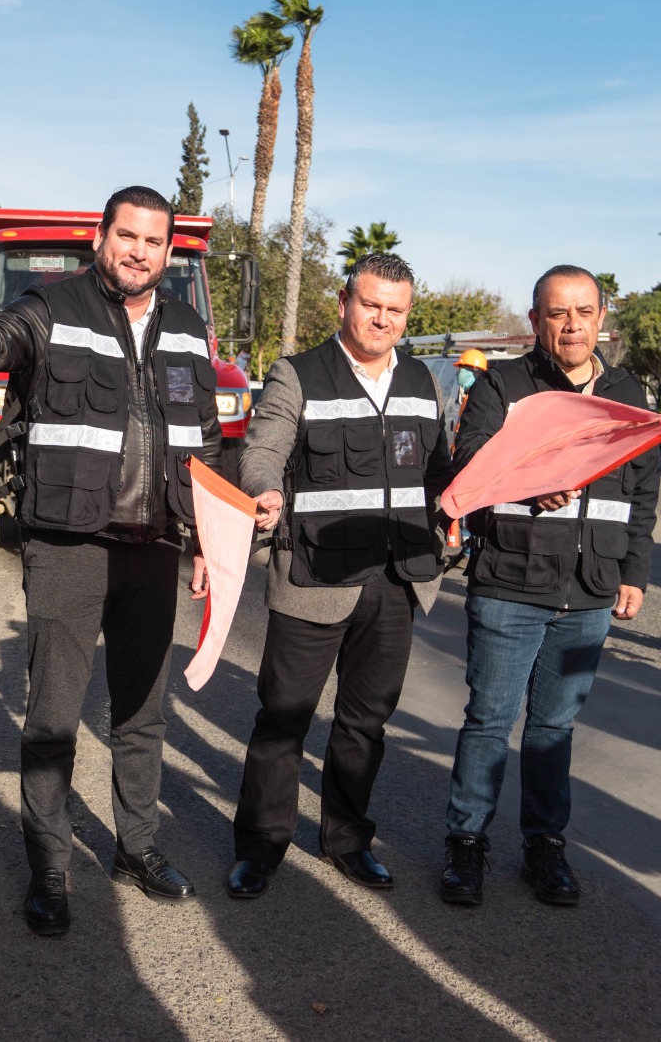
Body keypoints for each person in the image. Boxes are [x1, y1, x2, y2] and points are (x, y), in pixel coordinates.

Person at [0, 185, 222, 937]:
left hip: (155, 547)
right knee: (54, 718)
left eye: (153, 242)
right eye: (127, 236)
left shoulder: (189, 329)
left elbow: (207, 445)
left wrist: (210, 544)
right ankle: (50, 867)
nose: (139, 252)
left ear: (167, 251)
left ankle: (138, 847)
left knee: (142, 714)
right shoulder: (51, 306)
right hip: (68, 545)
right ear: (101, 238)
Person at [226, 253, 452, 900]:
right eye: (370, 303)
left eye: (395, 309)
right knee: (283, 719)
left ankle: (348, 839)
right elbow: (264, 446)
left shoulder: (422, 381)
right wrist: (264, 489)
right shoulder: (298, 374)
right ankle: (261, 847)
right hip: (315, 577)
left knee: (364, 725)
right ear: (345, 303)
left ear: (408, 314)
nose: (381, 318)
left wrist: (455, 511)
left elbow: (439, 469)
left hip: (398, 579)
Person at [440, 265, 659, 908]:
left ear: (601, 320)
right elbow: (468, 469)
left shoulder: (627, 392)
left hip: (590, 590)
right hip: (510, 581)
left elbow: (642, 494)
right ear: (535, 322)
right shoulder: (503, 387)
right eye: (557, 314)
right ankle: (466, 845)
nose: (571, 326)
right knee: (489, 720)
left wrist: (634, 572)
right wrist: (530, 484)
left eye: (583, 312)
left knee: (553, 729)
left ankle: (544, 846)